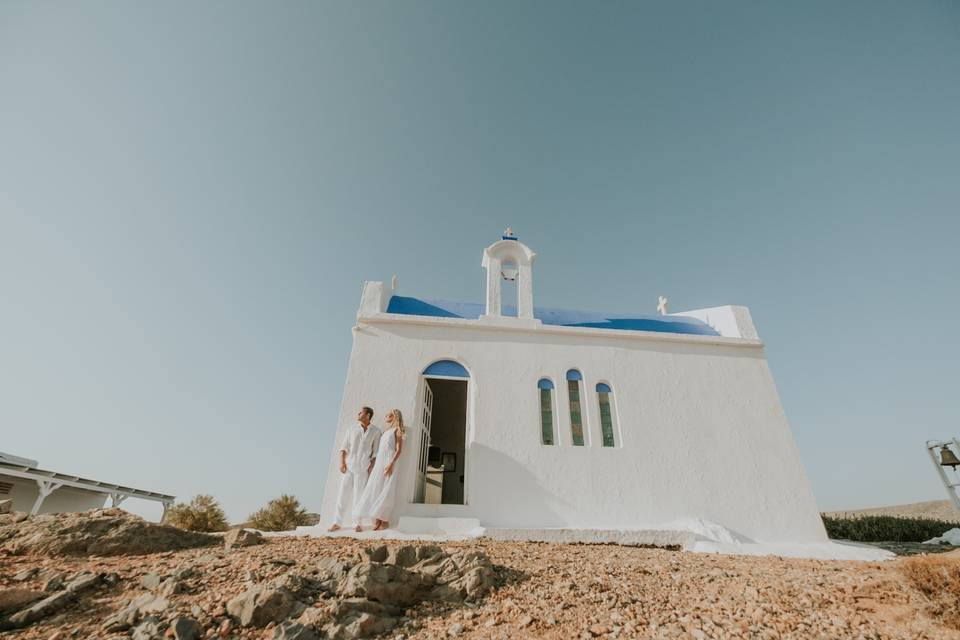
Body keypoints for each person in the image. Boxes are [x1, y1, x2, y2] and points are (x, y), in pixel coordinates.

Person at [328, 406, 380, 532]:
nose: (358, 413)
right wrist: (342, 463)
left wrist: (371, 467)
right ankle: (336, 522)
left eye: (361, 412)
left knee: (359, 497)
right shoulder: (352, 429)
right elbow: (343, 448)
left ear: (368, 415)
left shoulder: (375, 431)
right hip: (349, 467)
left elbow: (375, 452)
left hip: (363, 468)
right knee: (343, 495)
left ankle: (356, 523)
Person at [353, 408, 405, 531]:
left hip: (389, 461)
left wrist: (391, 464)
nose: (386, 416)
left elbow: (399, 450)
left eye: (388, 415)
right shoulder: (386, 431)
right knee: (376, 488)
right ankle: (376, 519)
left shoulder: (397, 430)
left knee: (387, 490)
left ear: (394, 416)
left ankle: (384, 520)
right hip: (380, 463)